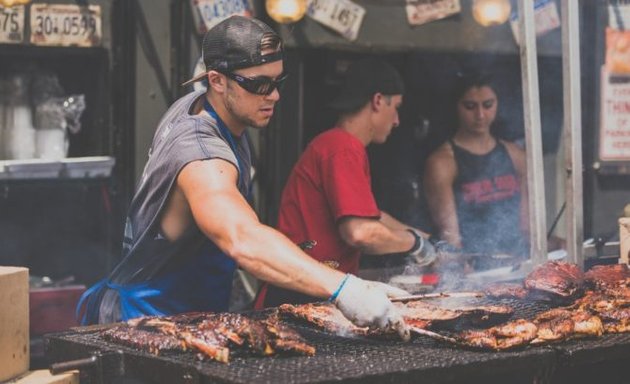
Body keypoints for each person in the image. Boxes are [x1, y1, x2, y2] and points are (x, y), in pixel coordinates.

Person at [77, 16, 410, 340]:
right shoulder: (202, 154)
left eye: (277, 82)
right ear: (217, 80)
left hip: (190, 316)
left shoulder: (205, 105)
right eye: (259, 84)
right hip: (146, 323)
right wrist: (344, 288)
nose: (274, 95)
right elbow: (242, 237)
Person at [255, 58, 439, 309]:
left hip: (309, 291)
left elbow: (373, 217)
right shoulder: (343, 148)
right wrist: (415, 244)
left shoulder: (337, 145)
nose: (397, 120)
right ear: (377, 101)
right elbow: (360, 232)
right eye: (395, 107)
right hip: (300, 297)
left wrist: (430, 239)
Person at [423, 71, 529, 262]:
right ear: (456, 107)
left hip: (517, 262)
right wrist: (462, 267)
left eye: (488, 105)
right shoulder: (443, 162)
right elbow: (450, 238)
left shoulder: (516, 156)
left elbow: (527, 227)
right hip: (472, 268)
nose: (480, 115)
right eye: (470, 106)